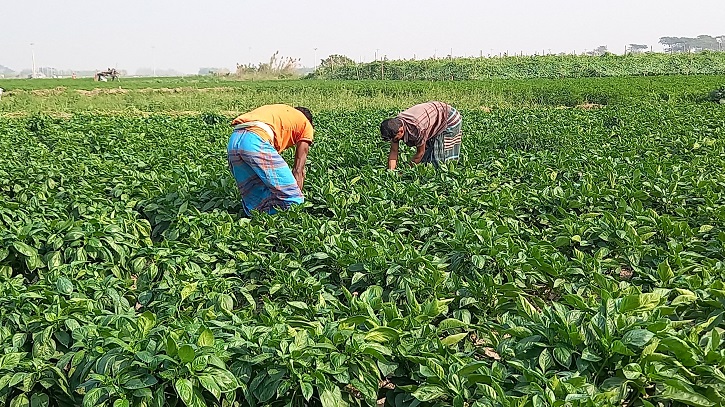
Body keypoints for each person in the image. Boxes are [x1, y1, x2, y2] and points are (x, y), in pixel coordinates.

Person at [227, 104, 314, 215]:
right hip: (255, 140)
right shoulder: (305, 124)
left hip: (234, 140)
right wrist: (296, 195)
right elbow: (298, 169)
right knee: (293, 198)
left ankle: (258, 225)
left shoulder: (281, 113)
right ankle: (287, 224)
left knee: (255, 199)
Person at [380, 101, 462, 169]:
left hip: (449, 118)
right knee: (427, 156)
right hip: (432, 118)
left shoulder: (417, 129)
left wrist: (406, 171)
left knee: (439, 157)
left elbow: (420, 153)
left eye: (395, 138)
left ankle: (447, 175)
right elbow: (394, 151)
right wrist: (391, 172)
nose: (394, 141)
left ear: (401, 131)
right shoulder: (395, 125)